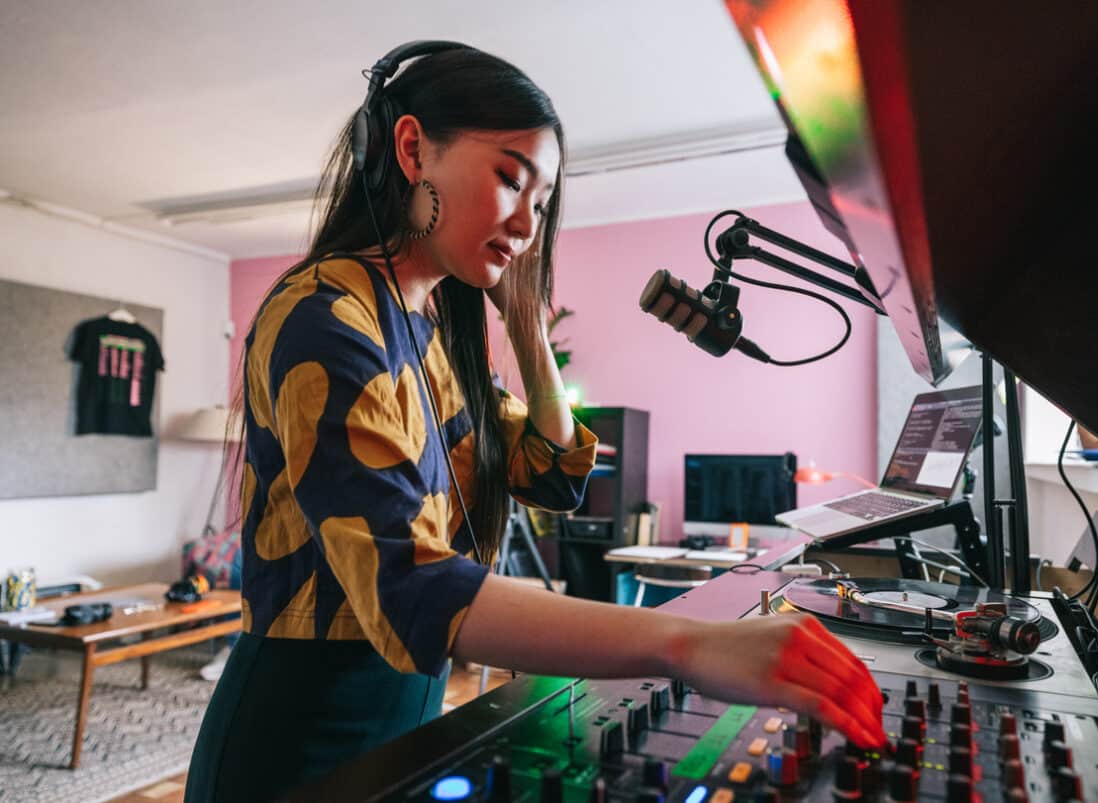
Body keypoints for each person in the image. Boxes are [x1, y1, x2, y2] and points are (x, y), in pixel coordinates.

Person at [185, 42, 885, 803]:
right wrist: (689, 643)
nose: (527, 222)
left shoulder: (438, 334)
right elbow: (407, 583)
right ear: (413, 148)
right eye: (509, 179)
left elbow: (555, 473)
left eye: (542, 202)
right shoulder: (325, 319)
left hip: (408, 714)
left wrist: (525, 324)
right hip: (299, 733)